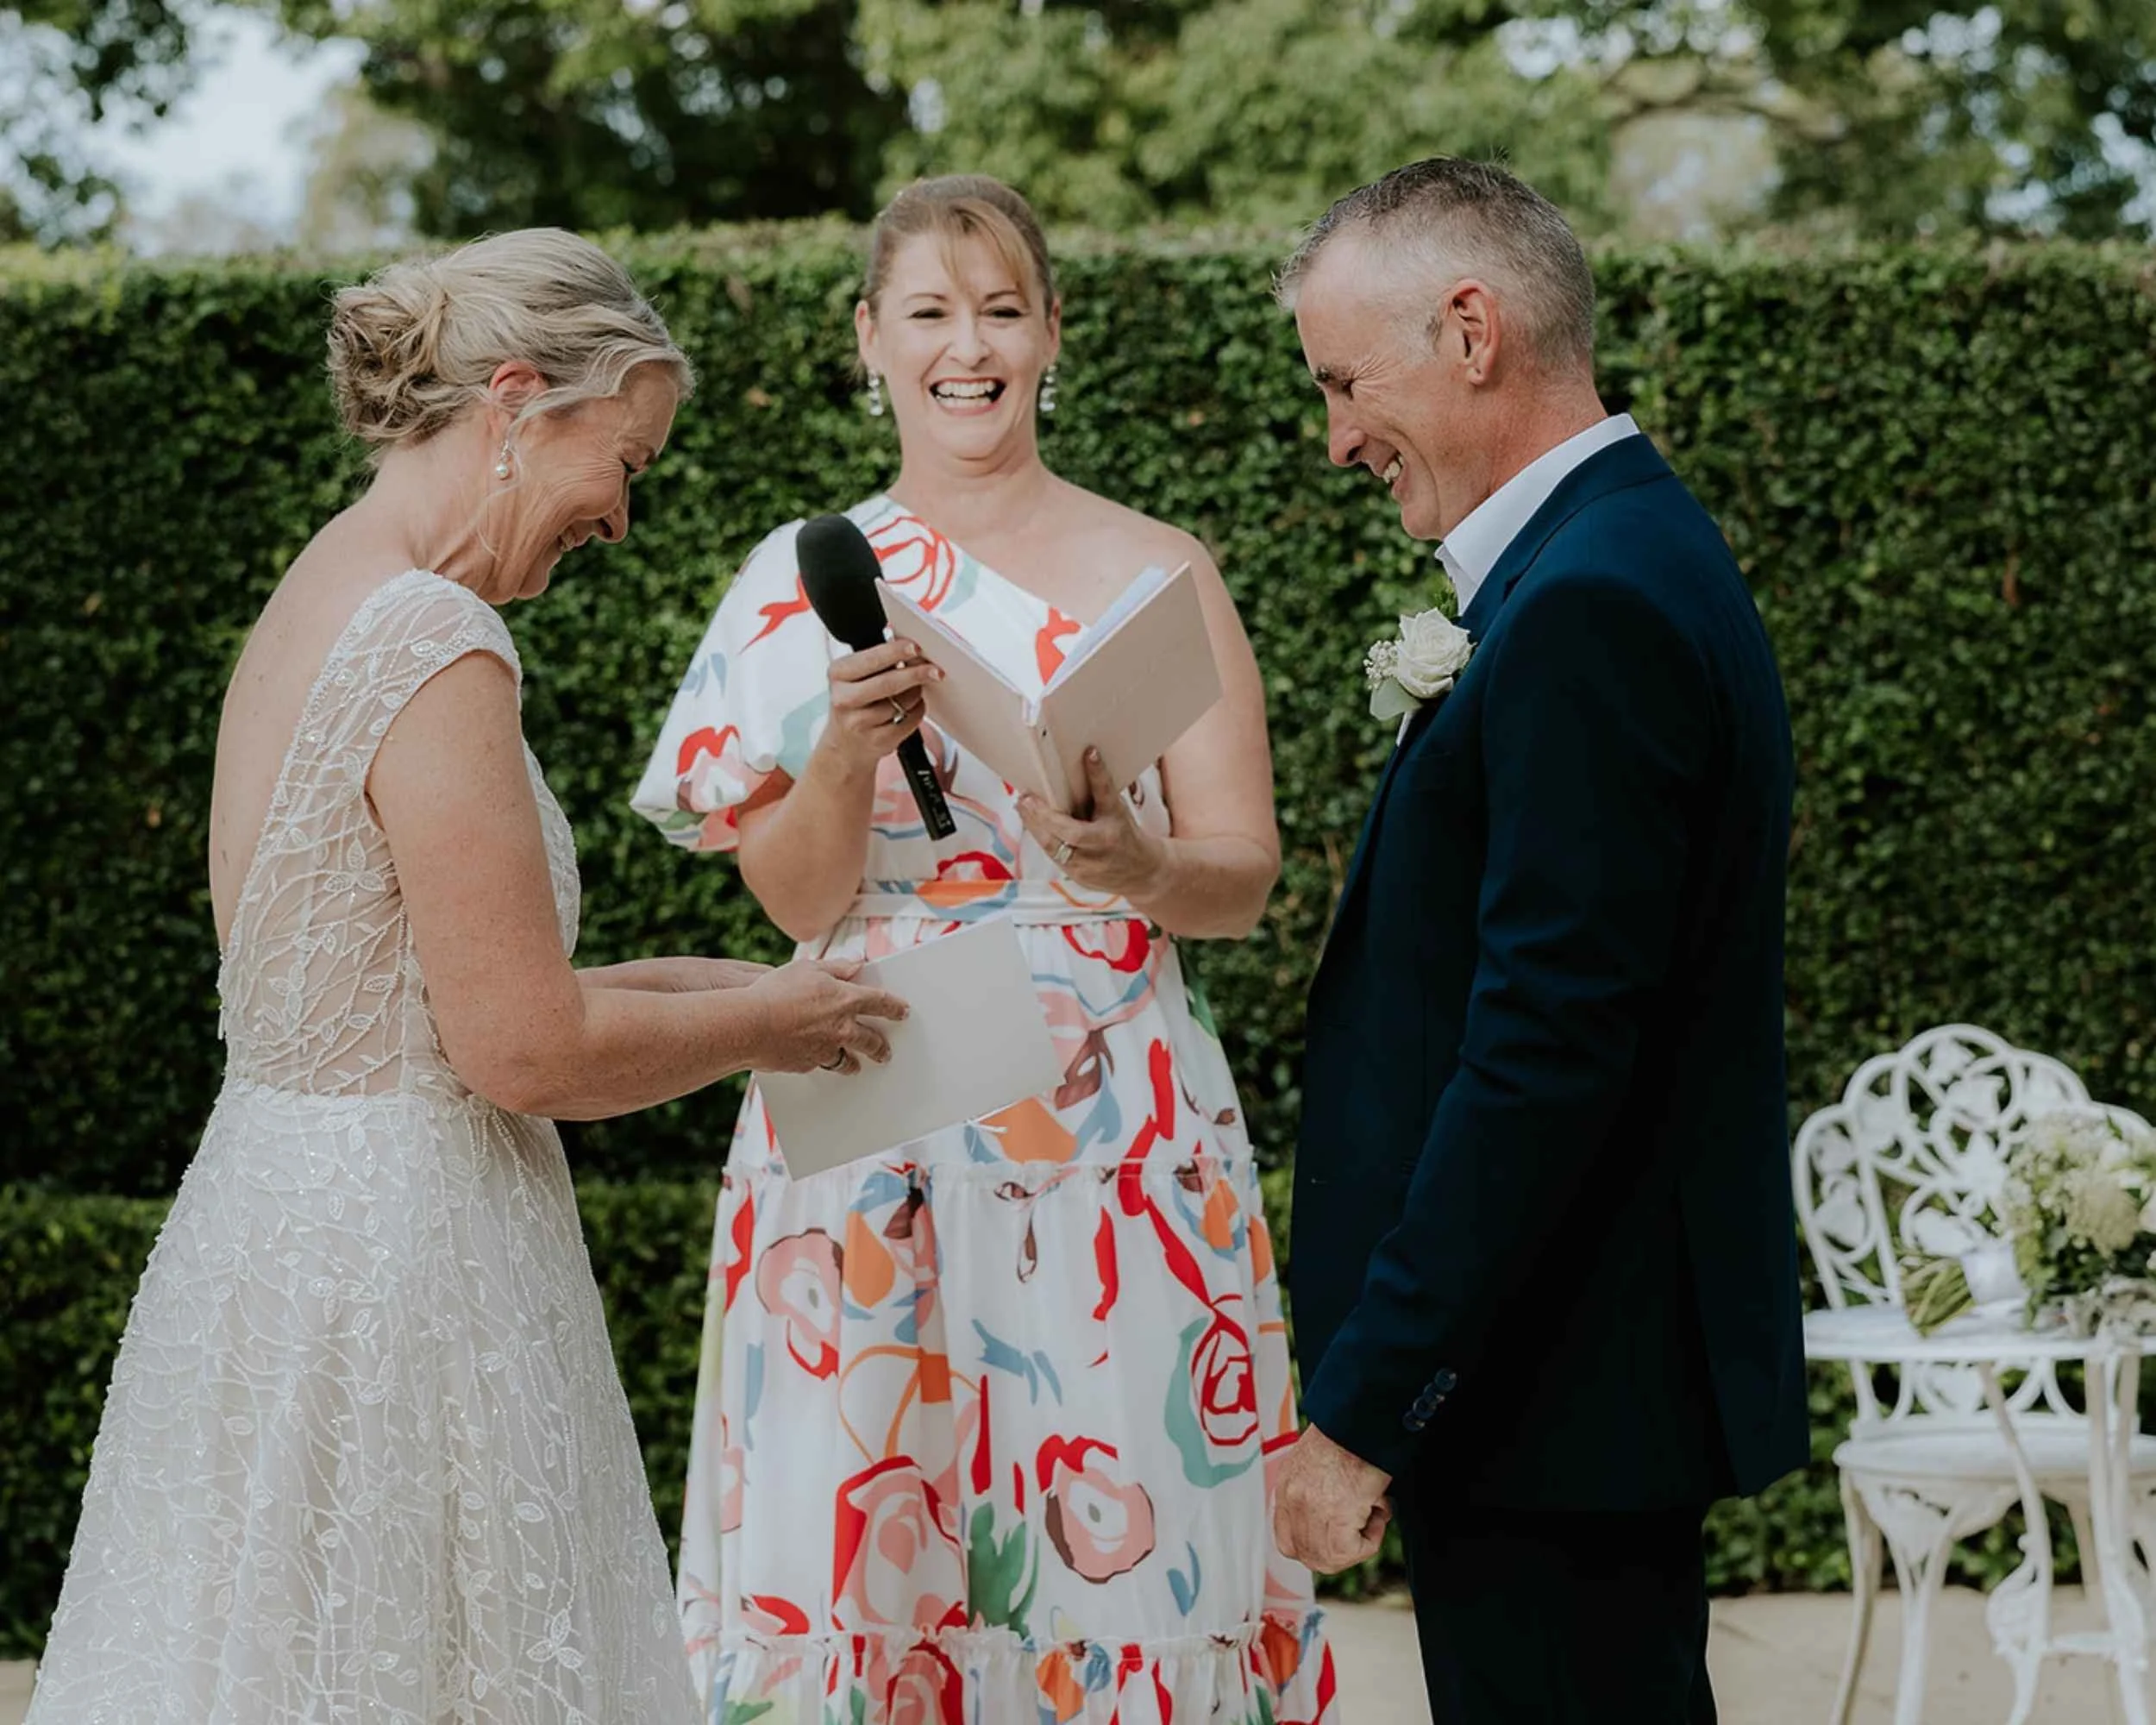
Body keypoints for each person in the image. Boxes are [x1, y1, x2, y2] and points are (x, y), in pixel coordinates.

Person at [27, 228, 905, 1725]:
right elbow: (518, 1049)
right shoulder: (438, 637)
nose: (623, 518)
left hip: (279, 1226)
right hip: (402, 1275)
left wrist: (723, 987)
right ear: (516, 403)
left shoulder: (329, 591)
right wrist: (772, 1024)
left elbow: (410, 990)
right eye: (624, 462)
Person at [633, 175, 1335, 1723]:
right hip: (873, 1086)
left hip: (1113, 1121)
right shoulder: (787, 585)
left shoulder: (1163, 571)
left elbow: (1246, 876)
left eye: (1003, 310)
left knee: (1130, 1522)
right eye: (933, 314)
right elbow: (793, 907)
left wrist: (1142, 861)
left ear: (1051, 336)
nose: (971, 347)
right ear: (870, 340)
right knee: (871, 1539)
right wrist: (834, 759)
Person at [1269, 158, 1808, 1722]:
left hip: (1554, 1394)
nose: (1338, 437)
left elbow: (1545, 1053)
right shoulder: (1618, 557)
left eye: (1345, 382)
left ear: (1471, 329)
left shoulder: (1590, 606)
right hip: (1565, 1392)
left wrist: (1368, 1408)